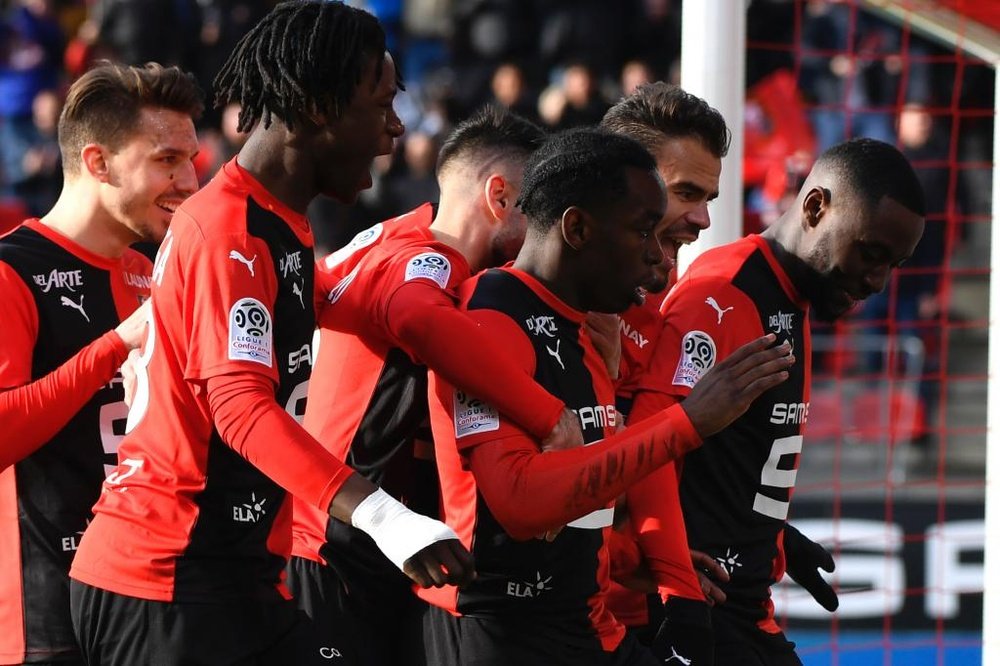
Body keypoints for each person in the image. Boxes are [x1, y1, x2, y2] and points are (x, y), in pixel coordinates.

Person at [68, 3, 473, 664]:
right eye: (379, 105)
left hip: (231, 578)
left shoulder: (277, 222)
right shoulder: (228, 230)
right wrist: (386, 519)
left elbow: (356, 301)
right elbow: (240, 411)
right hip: (165, 581)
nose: (395, 128)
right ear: (319, 107)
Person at [418, 127, 796, 666]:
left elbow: (586, 494)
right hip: (502, 632)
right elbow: (520, 505)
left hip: (588, 622)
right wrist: (688, 422)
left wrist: (624, 557)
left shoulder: (589, 325)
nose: (658, 260)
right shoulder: (492, 320)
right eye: (642, 233)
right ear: (576, 228)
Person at [289, 105, 578, 665]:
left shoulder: (393, 234)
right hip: (340, 555)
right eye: (537, 212)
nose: (543, 238)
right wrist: (548, 416)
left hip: (364, 548)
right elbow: (419, 321)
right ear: (499, 197)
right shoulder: (429, 260)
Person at [630, 137, 925, 665]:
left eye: (893, 265)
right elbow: (647, 449)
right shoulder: (722, 294)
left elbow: (721, 459)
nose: (878, 281)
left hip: (747, 609)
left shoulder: (795, 298)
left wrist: (774, 539)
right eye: (872, 253)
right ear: (815, 207)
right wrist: (677, 592)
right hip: (700, 609)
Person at [599, 82, 840, 663]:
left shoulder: (659, 306)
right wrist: (667, 577)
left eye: (709, 196)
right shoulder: (533, 308)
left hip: (639, 612)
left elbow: (653, 463)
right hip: (572, 623)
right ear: (621, 182)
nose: (704, 219)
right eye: (686, 193)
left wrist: (770, 534)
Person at [0, 61, 202, 665]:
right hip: (44, 615)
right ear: (97, 162)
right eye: (167, 159)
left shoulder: (150, 274)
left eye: (191, 159)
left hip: (148, 599)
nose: (189, 182)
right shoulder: (11, 271)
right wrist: (114, 346)